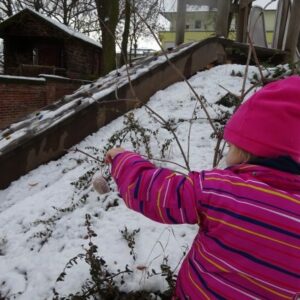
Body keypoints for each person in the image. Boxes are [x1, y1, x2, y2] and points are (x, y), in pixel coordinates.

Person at [105, 76, 300, 299]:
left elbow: (156, 192)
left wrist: (122, 160)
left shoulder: (221, 191)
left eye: (230, 145)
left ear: (244, 151)